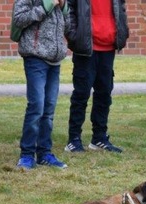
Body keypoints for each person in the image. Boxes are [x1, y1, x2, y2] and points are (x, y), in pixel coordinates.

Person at [63, 0, 128, 154]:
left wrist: (122, 31)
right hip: (86, 48)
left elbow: (121, 9)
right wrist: (74, 35)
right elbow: (69, 10)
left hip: (108, 47)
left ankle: (99, 138)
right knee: (81, 94)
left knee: (104, 94)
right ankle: (73, 139)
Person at [13, 0, 70, 170]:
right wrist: (46, 6)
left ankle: (44, 153)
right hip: (35, 56)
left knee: (49, 109)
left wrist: (64, 8)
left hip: (55, 60)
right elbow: (19, 18)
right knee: (36, 106)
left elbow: (66, 26)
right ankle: (27, 155)